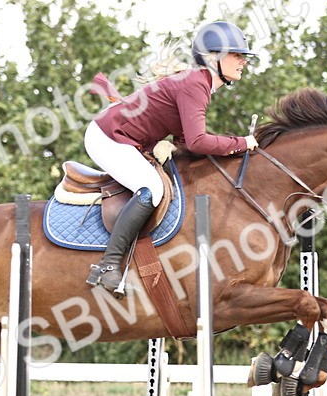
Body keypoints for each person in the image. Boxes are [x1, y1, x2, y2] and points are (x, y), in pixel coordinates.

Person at [84, 20, 259, 292]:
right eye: (236, 55)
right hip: (108, 137)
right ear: (214, 58)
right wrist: (241, 143)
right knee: (151, 189)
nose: (243, 61)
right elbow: (198, 141)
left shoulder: (198, 84)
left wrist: (176, 147)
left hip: (121, 137)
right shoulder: (195, 84)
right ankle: (108, 265)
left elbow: (185, 140)